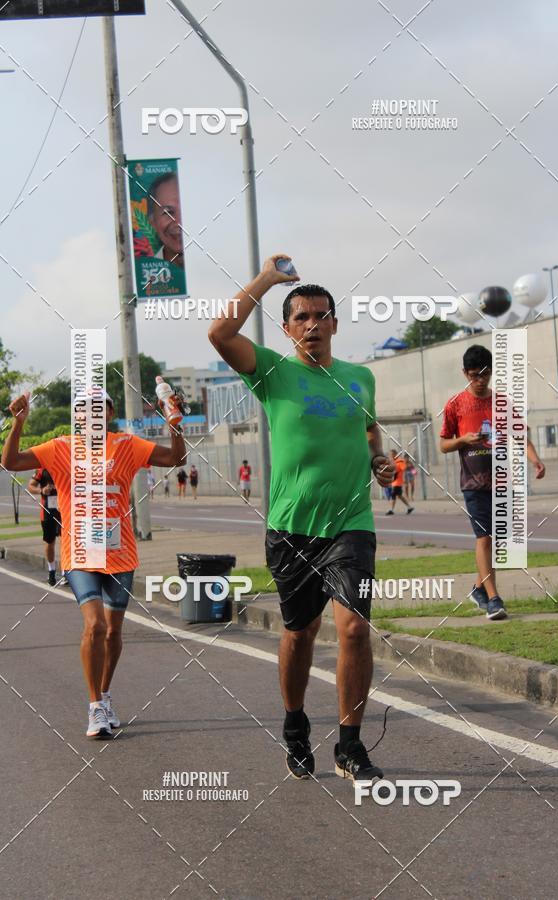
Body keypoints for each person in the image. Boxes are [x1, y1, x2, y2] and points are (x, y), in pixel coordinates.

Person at [209, 254, 394, 784]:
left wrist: (378, 461)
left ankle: (350, 745)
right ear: (288, 329)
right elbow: (220, 333)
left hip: (351, 522)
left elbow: (369, 433)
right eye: (301, 318)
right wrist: (268, 279)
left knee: (354, 629)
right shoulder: (273, 372)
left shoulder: (360, 378)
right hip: (291, 525)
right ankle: (294, 725)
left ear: (335, 323)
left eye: (321, 316)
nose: (312, 324)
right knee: (300, 633)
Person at [2, 388, 186, 739]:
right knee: (95, 626)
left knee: (115, 631)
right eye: (85, 410)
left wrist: (174, 423)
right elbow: (10, 462)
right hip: (80, 552)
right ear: (77, 417)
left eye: (100, 408)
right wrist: (18, 424)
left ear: (111, 412)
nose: (92, 415)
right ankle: (94, 708)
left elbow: (176, 459)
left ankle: (104, 694)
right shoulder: (61, 447)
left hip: (121, 554)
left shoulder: (128, 445)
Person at [440, 344, 545, 621]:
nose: (480, 380)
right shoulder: (455, 405)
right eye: (474, 375)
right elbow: (443, 444)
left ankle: (478, 588)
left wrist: (535, 460)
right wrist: (463, 440)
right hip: (473, 483)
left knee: (499, 541)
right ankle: (494, 599)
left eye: (484, 374)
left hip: (501, 482)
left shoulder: (502, 402)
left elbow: (521, 436)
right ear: (465, 373)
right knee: (484, 537)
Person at [28, 467, 61, 586]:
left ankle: (66, 573)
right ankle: (51, 571)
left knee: (67, 541)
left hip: (66, 510)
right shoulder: (42, 470)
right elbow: (31, 486)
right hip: (48, 511)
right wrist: (41, 490)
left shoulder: (68, 465)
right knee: (50, 542)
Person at [148, 173, 184, 268]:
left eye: (185, 211)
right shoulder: (147, 277)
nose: (179, 222)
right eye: (168, 212)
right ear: (153, 222)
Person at [385, 449, 414, 515]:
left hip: (398, 482)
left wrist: (404, 478)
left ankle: (391, 510)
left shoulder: (400, 461)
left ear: (395, 454)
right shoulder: (393, 461)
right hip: (394, 482)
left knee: (393, 495)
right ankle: (409, 507)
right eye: (390, 454)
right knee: (399, 496)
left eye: (391, 454)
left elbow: (404, 468)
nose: (390, 456)